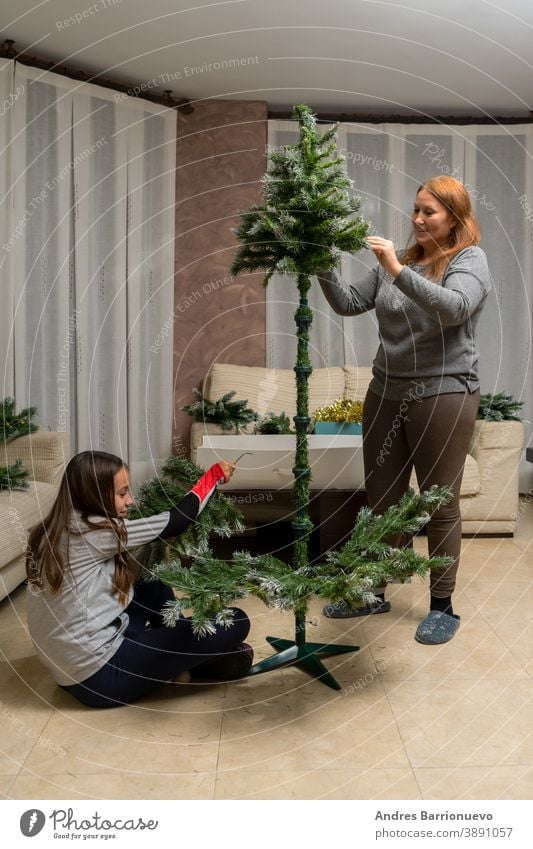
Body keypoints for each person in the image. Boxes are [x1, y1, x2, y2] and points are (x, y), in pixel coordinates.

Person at [318, 175, 492, 644]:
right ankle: (374, 589)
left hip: (443, 393)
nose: (416, 219)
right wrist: (323, 264)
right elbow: (350, 303)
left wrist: (396, 270)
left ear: (454, 218)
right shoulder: (401, 260)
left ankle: (442, 605)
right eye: (415, 209)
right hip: (385, 392)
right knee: (383, 499)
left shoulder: (468, 260)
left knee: (439, 502)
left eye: (428, 212)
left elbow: (454, 309)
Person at [26, 450, 252, 707]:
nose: (130, 501)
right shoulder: (94, 532)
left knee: (152, 586)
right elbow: (177, 521)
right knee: (236, 621)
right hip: (99, 677)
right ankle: (180, 661)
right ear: (95, 495)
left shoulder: (54, 527)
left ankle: (175, 660)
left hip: (69, 667)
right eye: (122, 494)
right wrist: (213, 476)